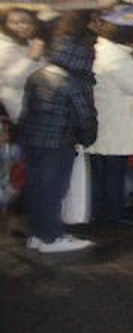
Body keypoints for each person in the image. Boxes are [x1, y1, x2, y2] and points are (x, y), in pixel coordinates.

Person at [18, 14, 98, 253]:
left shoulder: (38, 75)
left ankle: (38, 234)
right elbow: (85, 117)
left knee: (37, 188)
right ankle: (52, 237)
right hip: (59, 143)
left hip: (32, 142)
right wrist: (87, 138)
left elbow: (28, 109)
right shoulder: (74, 83)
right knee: (54, 190)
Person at [88, 21, 133, 225]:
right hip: (115, 123)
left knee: (103, 172)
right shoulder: (117, 57)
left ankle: (104, 211)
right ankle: (114, 214)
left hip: (104, 121)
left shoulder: (101, 51)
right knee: (114, 172)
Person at [0, 7, 43, 123]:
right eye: (14, 22)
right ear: (4, 24)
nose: (22, 26)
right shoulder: (3, 47)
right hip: (17, 108)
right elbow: (10, 81)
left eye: (26, 22)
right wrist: (31, 58)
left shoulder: (31, 43)